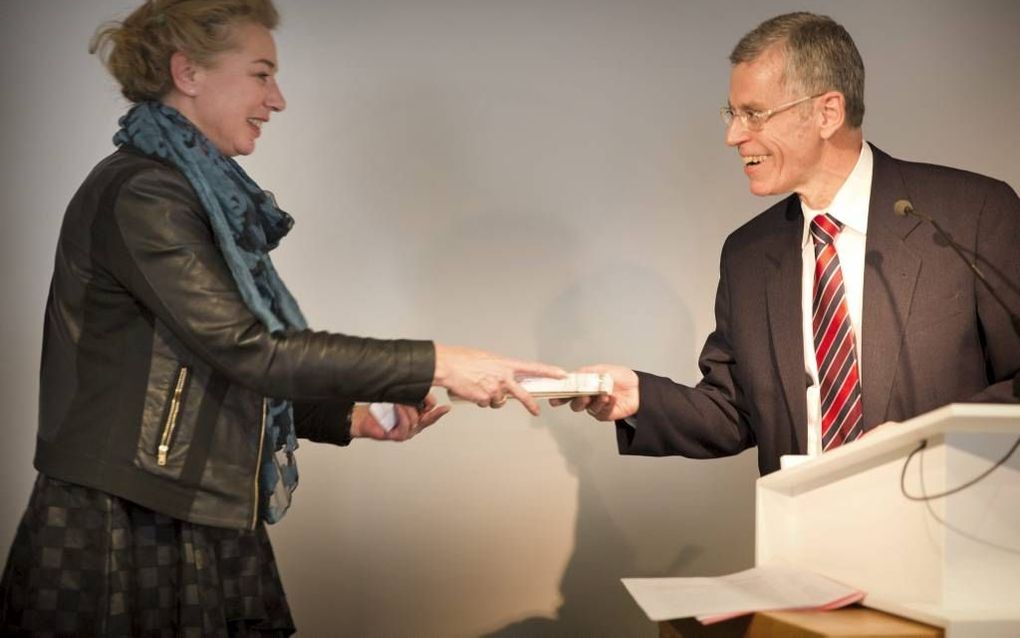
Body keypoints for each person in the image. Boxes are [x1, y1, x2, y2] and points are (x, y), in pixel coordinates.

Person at [0, 0, 563, 635]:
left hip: (177, 501)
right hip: (125, 516)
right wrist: (441, 361)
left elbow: (218, 365)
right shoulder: (146, 194)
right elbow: (254, 349)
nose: (278, 99)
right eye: (261, 73)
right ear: (188, 73)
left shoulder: (193, 192)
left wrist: (344, 416)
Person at [555, 11, 1020, 476]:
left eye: (753, 114)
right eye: (732, 114)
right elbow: (734, 410)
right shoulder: (748, 255)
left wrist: (924, 442)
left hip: (946, 520)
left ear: (827, 113)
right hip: (803, 532)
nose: (733, 135)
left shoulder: (970, 215)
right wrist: (638, 396)